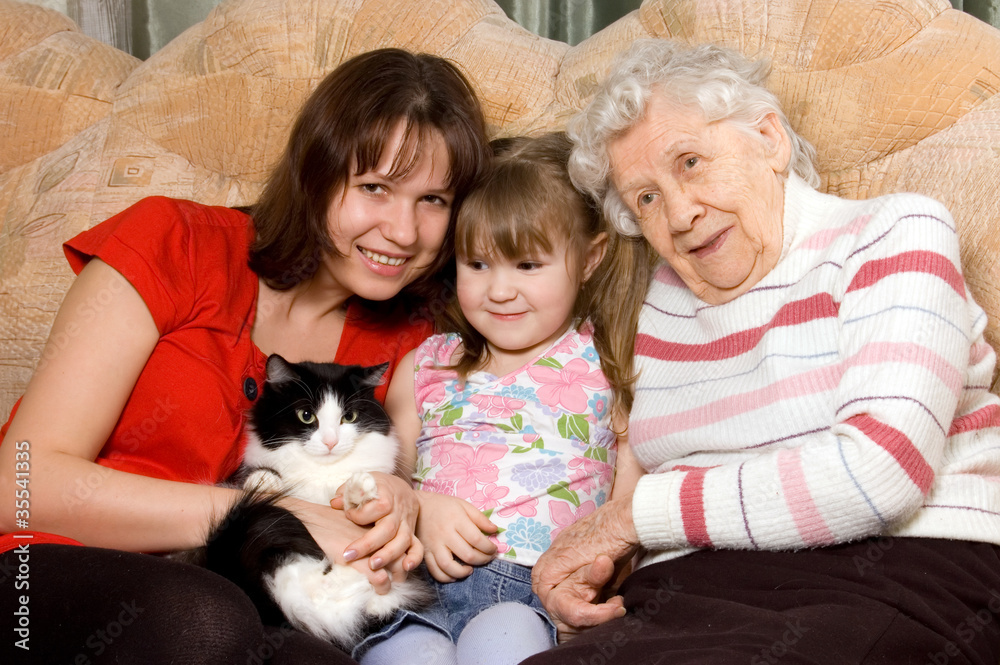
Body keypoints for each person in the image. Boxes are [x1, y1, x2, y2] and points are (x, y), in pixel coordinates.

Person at [0, 48, 490, 665]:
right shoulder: (172, 244)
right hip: (35, 575)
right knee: (202, 619)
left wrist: (405, 503)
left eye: (434, 201)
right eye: (374, 188)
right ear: (315, 174)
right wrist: (267, 511)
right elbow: (20, 484)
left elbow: (397, 496)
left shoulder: (414, 340)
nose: (403, 231)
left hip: (252, 595)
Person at [525, 40, 1000, 664]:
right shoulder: (660, 303)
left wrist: (631, 521)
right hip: (689, 592)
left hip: (904, 567)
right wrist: (592, 567)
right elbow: (654, 487)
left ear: (770, 138)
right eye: (646, 198)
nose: (681, 213)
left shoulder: (894, 234)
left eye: (690, 162)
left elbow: (879, 476)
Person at [356, 133, 646, 665]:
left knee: (505, 639)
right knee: (408, 654)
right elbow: (383, 477)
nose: (499, 290)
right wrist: (419, 506)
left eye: (527, 266)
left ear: (590, 258)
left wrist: (601, 573)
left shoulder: (607, 360)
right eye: (478, 264)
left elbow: (630, 490)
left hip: (530, 590)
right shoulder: (427, 363)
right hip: (412, 583)